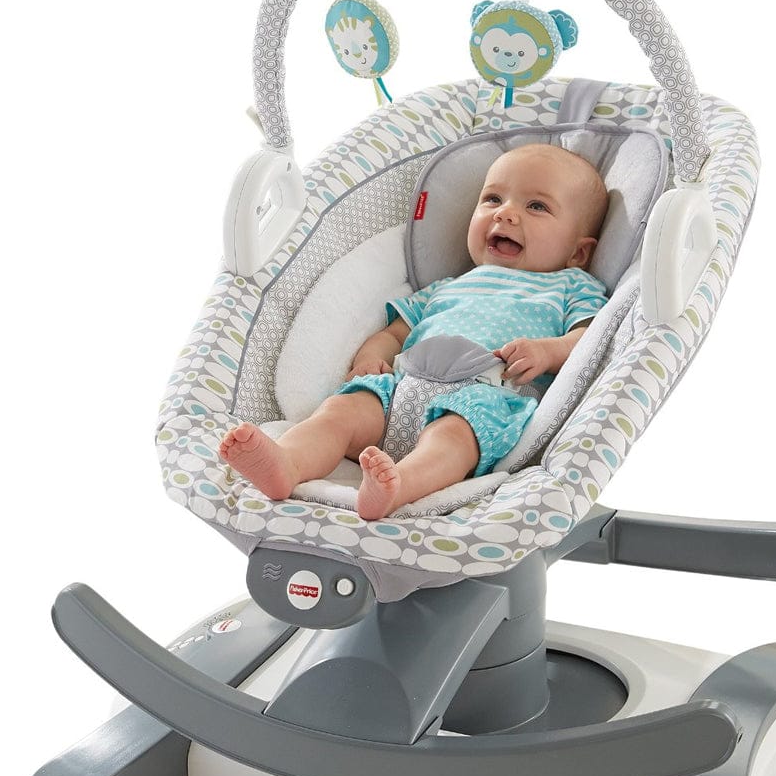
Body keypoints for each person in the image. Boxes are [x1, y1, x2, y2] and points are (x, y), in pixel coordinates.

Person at [219, 143, 609, 519]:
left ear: (578, 252)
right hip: (401, 389)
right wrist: (371, 358)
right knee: (339, 412)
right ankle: (288, 463)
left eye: (536, 206)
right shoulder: (446, 286)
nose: (505, 214)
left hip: (485, 397)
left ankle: (397, 486)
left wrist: (547, 351)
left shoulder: (571, 286)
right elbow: (393, 334)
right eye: (492, 199)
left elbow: (589, 341)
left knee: (452, 438)